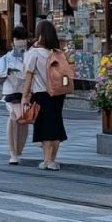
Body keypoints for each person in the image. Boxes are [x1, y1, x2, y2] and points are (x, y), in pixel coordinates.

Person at [21, 19, 67, 171]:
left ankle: (47, 160)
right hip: (58, 93)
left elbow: (28, 76)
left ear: (39, 35)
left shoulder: (34, 54)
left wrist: (24, 96)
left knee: (44, 127)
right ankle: (52, 160)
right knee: (56, 124)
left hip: (41, 94)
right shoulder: (58, 53)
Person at [0, 26, 30, 165]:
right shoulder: (6, 58)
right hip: (11, 92)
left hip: (26, 92)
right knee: (14, 117)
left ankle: (19, 150)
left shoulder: (30, 55)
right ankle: (13, 152)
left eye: (23, 40)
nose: (21, 43)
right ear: (13, 41)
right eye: (18, 40)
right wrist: (4, 73)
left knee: (24, 119)